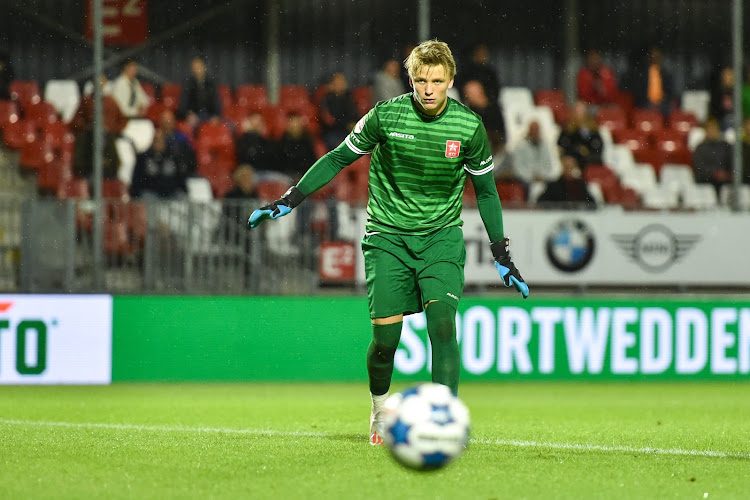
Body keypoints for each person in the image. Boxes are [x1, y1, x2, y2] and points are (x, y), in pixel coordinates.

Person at [247, 40, 529, 445]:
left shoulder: (469, 127)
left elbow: (485, 193)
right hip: (387, 237)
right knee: (385, 342)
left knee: (443, 325)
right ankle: (380, 408)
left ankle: (443, 422)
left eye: (436, 80)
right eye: (420, 80)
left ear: (451, 80)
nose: (428, 88)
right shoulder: (385, 115)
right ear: (410, 80)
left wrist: (501, 253)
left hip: (440, 238)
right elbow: (337, 158)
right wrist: (290, 198)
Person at [70, 75, 127, 180]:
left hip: (108, 135)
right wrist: (87, 126)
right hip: (89, 136)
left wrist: (112, 129)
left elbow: (122, 120)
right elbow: (75, 120)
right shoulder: (87, 101)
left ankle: (111, 173)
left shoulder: (111, 101)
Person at [130, 128, 195, 199]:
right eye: (156, 140)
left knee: (181, 197)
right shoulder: (143, 158)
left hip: (171, 194)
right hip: (150, 194)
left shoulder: (174, 157)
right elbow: (137, 180)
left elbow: (181, 178)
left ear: (165, 141)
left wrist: (184, 191)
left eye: (160, 140)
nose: (158, 143)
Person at [178, 56, 222, 128]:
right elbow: (183, 105)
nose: (196, 69)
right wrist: (189, 114)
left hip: (209, 116)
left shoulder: (211, 83)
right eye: (194, 67)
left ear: (204, 67)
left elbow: (217, 102)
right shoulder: (187, 83)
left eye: (199, 66)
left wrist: (216, 116)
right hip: (195, 117)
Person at [319, 72, 359, 151]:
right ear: (331, 84)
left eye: (342, 81)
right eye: (337, 82)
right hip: (334, 131)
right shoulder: (328, 99)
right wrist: (348, 125)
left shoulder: (349, 96)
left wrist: (355, 124)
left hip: (350, 130)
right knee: (335, 142)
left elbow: (355, 113)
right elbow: (330, 121)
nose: (340, 84)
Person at [557, 100, 604, 168]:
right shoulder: (568, 129)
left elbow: (598, 145)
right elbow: (562, 144)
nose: (579, 113)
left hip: (589, 160)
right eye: (577, 110)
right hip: (573, 160)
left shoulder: (592, 128)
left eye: (582, 110)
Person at [692, 117, 732, 194]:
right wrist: (714, 174)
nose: (711, 131)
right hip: (705, 185)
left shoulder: (726, 146)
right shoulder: (700, 148)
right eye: (709, 128)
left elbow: (732, 166)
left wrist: (726, 174)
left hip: (726, 184)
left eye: (713, 128)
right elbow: (699, 170)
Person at [462, 80, 506, 146]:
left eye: (472, 93)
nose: (469, 96)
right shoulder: (467, 111)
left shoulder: (493, 113)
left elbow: (498, 138)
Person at [277, 113, 317, 182]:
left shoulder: (308, 141)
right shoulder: (282, 142)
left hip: (304, 175)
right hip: (287, 175)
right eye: (292, 122)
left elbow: (311, 162)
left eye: (296, 122)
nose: (294, 125)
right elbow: (281, 163)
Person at [710, 66, 735, 132]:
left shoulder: (739, 92)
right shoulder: (717, 93)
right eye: (726, 75)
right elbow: (714, 112)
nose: (728, 78)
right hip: (721, 123)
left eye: (730, 75)